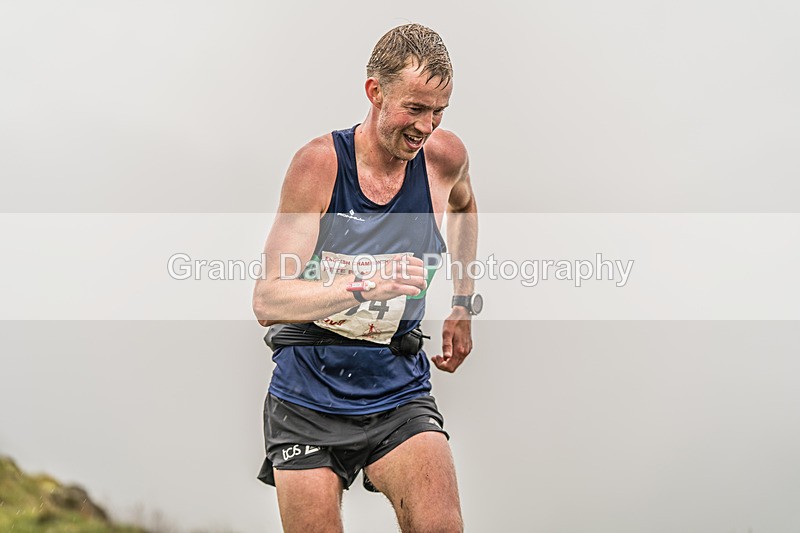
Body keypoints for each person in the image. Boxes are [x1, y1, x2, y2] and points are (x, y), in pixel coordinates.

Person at [253, 23, 478, 533]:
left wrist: (463, 302)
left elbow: (465, 207)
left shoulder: (444, 159)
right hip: (308, 388)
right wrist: (362, 284)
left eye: (439, 110)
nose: (427, 126)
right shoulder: (319, 166)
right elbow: (268, 298)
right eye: (415, 109)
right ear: (375, 93)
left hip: (396, 384)